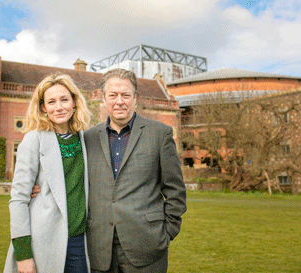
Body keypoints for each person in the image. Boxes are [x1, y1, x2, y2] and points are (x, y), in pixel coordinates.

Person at [33, 68, 186, 272]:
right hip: (99, 248)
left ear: (135, 98)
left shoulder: (160, 134)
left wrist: (167, 232)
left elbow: (175, 190)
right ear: (103, 99)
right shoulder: (87, 138)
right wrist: (36, 186)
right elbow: (68, 178)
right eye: (113, 95)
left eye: (125, 95)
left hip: (147, 245)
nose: (119, 101)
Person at [4, 72, 91, 273]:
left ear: (74, 102)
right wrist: (23, 255)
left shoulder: (86, 139)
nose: (59, 107)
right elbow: (18, 200)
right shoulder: (34, 139)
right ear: (43, 107)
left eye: (64, 100)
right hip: (43, 242)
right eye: (51, 102)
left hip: (79, 241)